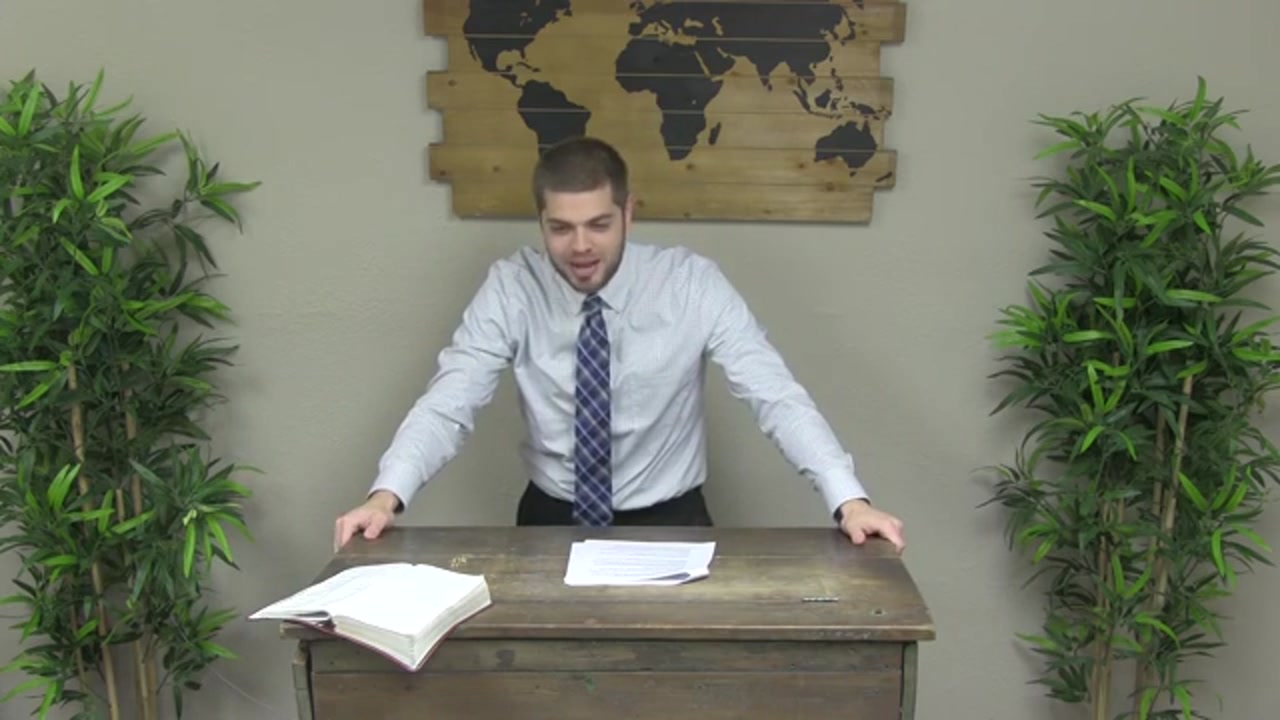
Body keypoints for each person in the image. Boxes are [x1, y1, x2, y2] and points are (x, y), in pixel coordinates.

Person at [334, 136, 905, 552]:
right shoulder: (511, 288)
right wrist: (386, 496)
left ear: (629, 213)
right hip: (549, 521)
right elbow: (450, 400)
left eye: (599, 224)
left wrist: (849, 500)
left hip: (672, 521)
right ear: (541, 221)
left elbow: (774, 395)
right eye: (560, 228)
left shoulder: (691, 284)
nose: (580, 246)